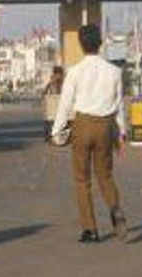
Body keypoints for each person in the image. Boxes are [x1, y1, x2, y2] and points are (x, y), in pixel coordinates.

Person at [51, 24, 128, 244]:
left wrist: (56, 131)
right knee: (105, 174)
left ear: (81, 44)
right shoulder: (114, 71)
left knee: (82, 179)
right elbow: (118, 104)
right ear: (100, 42)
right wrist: (121, 131)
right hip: (105, 125)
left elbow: (65, 105)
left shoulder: (75, 72)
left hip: (82, 124)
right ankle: (115, 208)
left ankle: (90, 230)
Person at [42, 66, 65, 140]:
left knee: (49, 119)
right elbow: (45, 91)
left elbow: (45, 92)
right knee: (49, 119)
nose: (58, 76)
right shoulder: (53, 81)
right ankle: (48, 133)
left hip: (56, 102)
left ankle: (48, 134)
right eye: (57, 74)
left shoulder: (61, 81)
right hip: (54, 102)